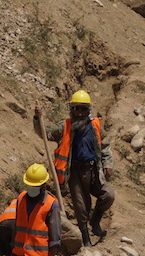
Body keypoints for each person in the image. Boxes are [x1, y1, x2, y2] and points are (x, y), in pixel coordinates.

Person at [35, 90, 114, 247]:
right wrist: (38, 118)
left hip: (93, 170)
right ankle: (85, 238)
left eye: (83, 109)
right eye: (76, 108)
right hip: (75, 172)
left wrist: (108, 165)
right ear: (71, 109)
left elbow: (105, 146)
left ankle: (96, 220)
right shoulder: (64, 127)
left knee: (108, 195)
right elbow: (44, 133)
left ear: (88, 111)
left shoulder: (95, 125)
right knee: (80, 206)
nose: (79, 113)